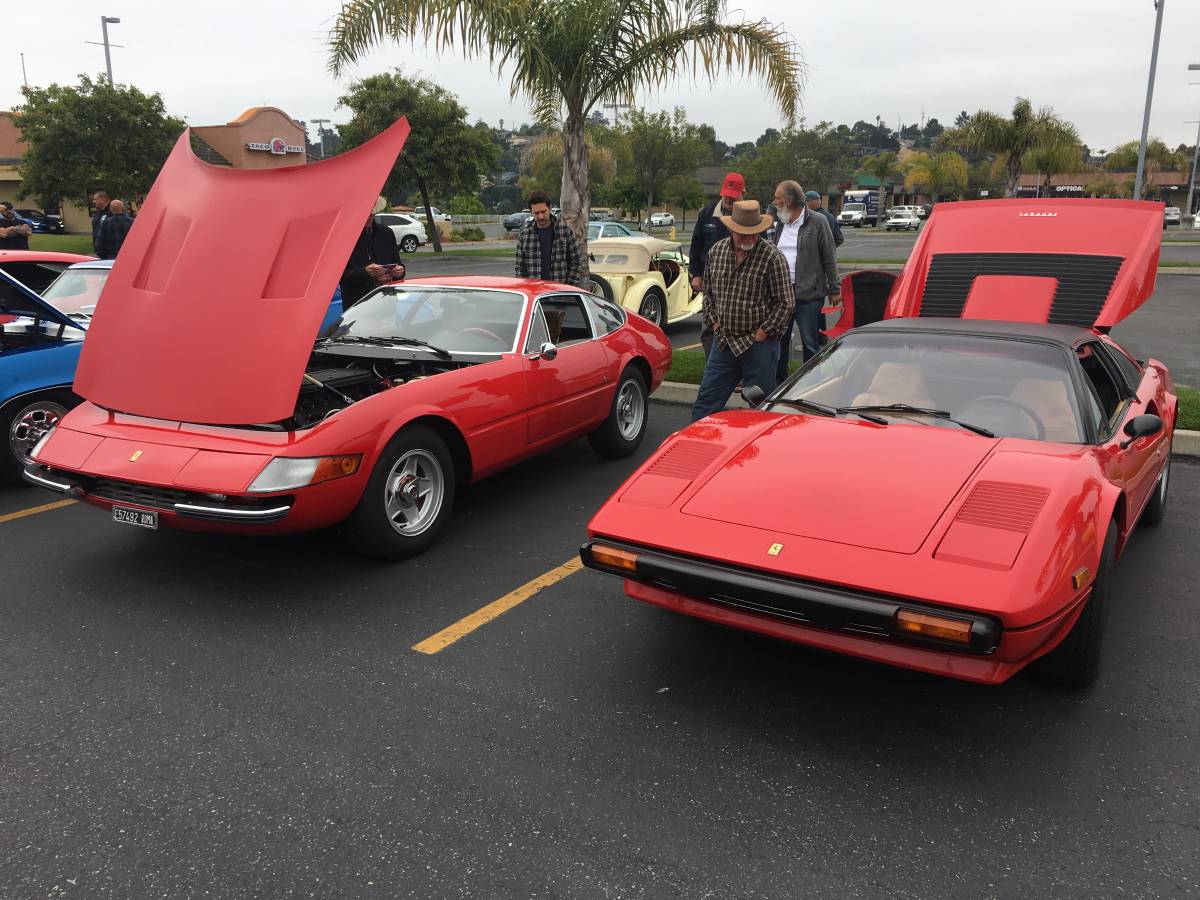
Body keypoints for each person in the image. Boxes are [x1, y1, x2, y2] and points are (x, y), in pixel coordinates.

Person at [690, 200, 793, 422]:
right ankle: (699, 448)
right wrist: (715, 323)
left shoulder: (772, 257)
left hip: (758, 345)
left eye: (754, 234)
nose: (749, 239)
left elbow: (785, 303)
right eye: (743, 234)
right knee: (705, 403)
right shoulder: (716, 253)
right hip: (724, 341)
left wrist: (764, 332)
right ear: (731, 230)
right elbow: (709, 295)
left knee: (760, 409)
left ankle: (759, 454)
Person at [770, 181, 840, 383]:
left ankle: (810, 385)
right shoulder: (781, 222)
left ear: (789, 201)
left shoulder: (818, 221)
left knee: (810, 343)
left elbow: (829, 256)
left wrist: (834, 289)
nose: (775, 202)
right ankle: (780, 384)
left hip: (809, 295)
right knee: (779, 341)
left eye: (778, 198)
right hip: (782, 294)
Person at [689, 173, 744, 355]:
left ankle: (736, 370)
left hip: (739, 283)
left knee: (738, 326)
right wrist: (695, 274)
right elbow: (696, 245)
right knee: (709, 327)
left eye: (733, 195)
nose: (728, 198)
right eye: (726, 193)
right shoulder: (706, 213)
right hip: (710, 282)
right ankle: (712, 366)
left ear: (741, 194)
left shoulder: (747, 215)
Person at [340, 197, 405, 309]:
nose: (369, 218)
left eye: (371, 215)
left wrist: (399, 271)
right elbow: (340, 277)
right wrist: (365, 272)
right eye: (365, 215)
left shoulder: (386, 233)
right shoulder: (345, 236)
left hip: (386, 302)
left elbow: (397, 263)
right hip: (357, 306)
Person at [514, 190, 584, 286]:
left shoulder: (565, 231)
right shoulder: (524, 235)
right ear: (531, 212)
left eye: (543, 211)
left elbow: (576, 262)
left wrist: (568, 289)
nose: (541, 216)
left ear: (550, 208)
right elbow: (520, 267)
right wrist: (525, 288)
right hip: (534, 294)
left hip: (560, 293)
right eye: (536, 213)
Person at [91, 191, 112, 256]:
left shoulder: (112, 212)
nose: (93, 201)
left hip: (109, 251)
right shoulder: (97, 213)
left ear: (103, 199)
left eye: (95, 199)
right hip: (98, 250)